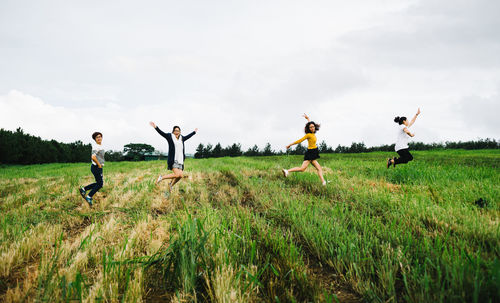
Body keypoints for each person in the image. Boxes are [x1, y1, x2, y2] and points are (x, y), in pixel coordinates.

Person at [150, 121, 198, 193]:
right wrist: (155, 127)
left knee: (180, 176)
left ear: (180, 132)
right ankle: (161, 177)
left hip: (180, 160)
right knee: (176, 174)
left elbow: (188, 136)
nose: (177, 132)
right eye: (175, 130)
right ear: (173, 131)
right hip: (173, 159)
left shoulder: (182, 138)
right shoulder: (169, 136)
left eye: (178, 131)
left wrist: (194, 132)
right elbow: (162, 133)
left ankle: (171, 185)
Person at [282, 114, 326, 185]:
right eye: (311, 127)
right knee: (302, 169)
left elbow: (310, 124)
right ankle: (287, 171)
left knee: (319, 168)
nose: (312, 128)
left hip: (314, 153)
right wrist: (290, 144)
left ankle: (324, 182)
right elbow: (299, 140)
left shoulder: (313, 133)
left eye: (313, 127)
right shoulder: (308, 135)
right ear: (309, 128)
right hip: (310, 153)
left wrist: (308, 118)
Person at [79, 132, 105, 206]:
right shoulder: (96, 146)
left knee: (99, 183)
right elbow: (93, 157)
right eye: (97, 137)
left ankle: (83, 189)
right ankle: (89, 196)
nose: (99, 138)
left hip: (98, 167)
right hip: (96, 167)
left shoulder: (100, 146)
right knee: (100, 184)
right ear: (95, 139)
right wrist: (99, 165)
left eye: (100, 136)